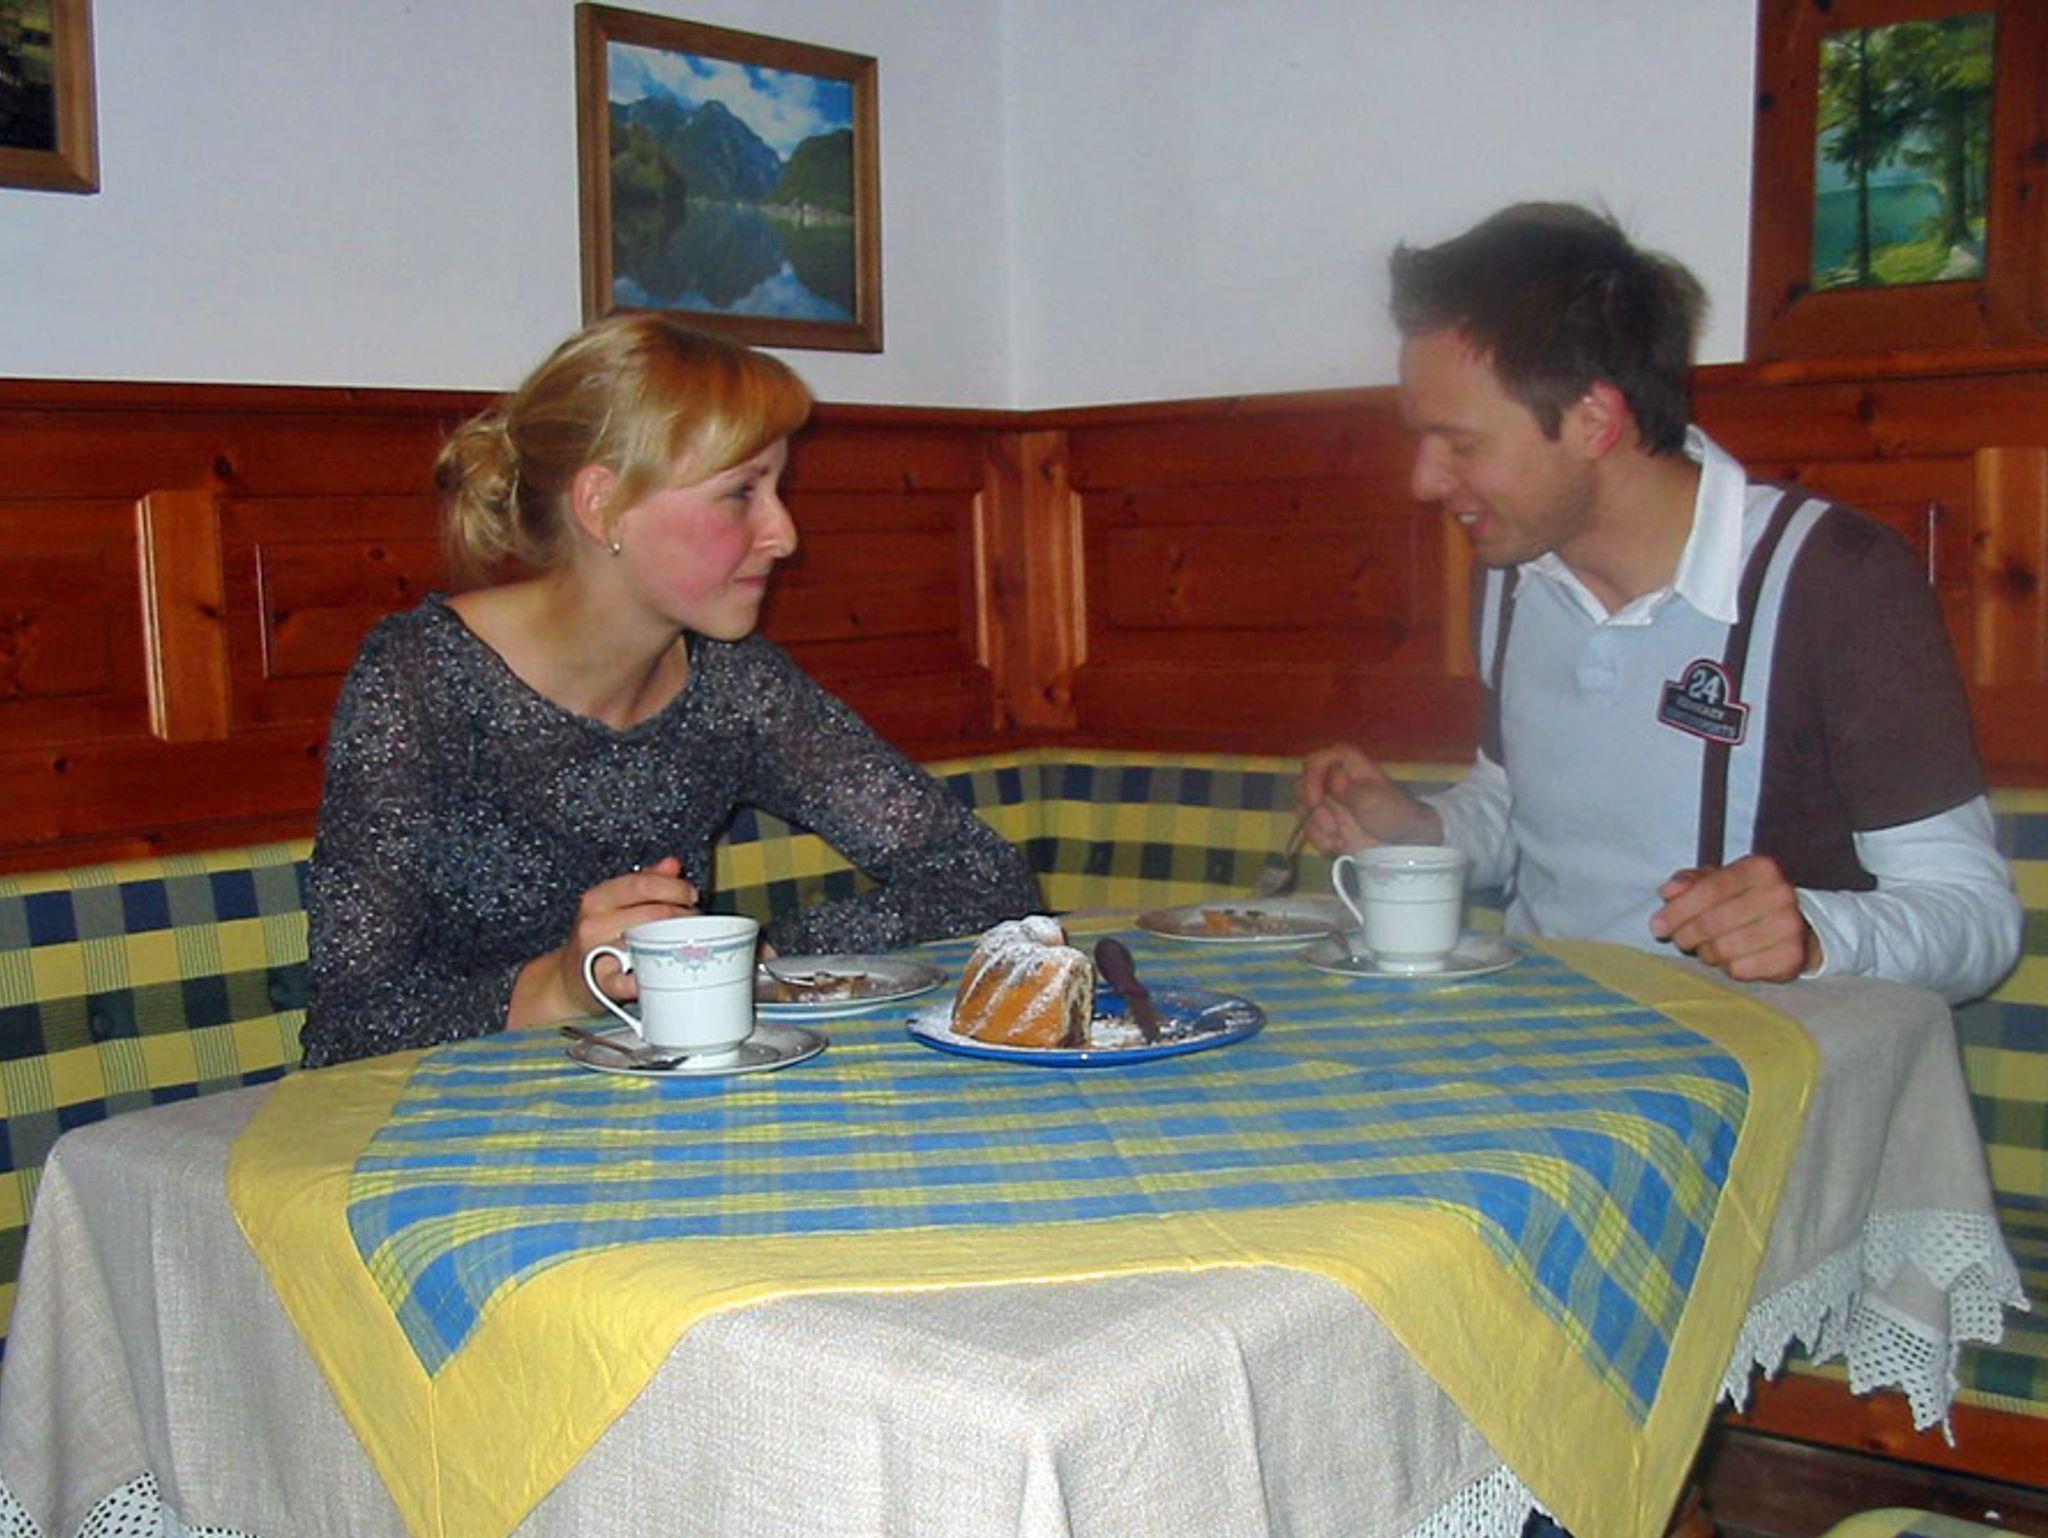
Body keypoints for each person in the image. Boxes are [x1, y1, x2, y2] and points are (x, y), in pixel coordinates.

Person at [1301, 203, 2020, 1004]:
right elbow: (1513, 812)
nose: (1425, 481)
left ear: (1594, 420)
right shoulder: (1513, 570)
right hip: (1538, 1034)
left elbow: (1977, 919)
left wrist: (1819, 932)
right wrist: (1418, 829)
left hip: (1770, 1058)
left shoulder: (1834, 578)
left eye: (1462, 444)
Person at [301, 315, 1039, 1067]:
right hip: (448, 1111)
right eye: (741, 492)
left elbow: (983, 879)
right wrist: (559, 987)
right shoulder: (422, 676)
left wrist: (747, 955)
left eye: (776, 488)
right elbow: (344, 1030)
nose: (784, 534)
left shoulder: (733, 679)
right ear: (603, 505)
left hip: (673, 1098)